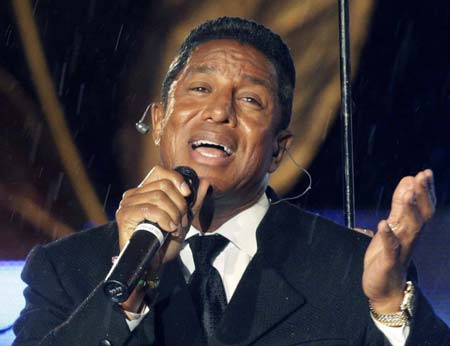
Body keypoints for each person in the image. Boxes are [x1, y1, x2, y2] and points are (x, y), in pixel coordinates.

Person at [13, 17, 450, 346]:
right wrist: (126, 293)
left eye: (249, 99)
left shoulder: (352, 267)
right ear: (161, 121)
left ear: (279, 148)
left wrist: (391, 307)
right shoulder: (66, 268)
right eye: (200, 89)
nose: (219, 111)